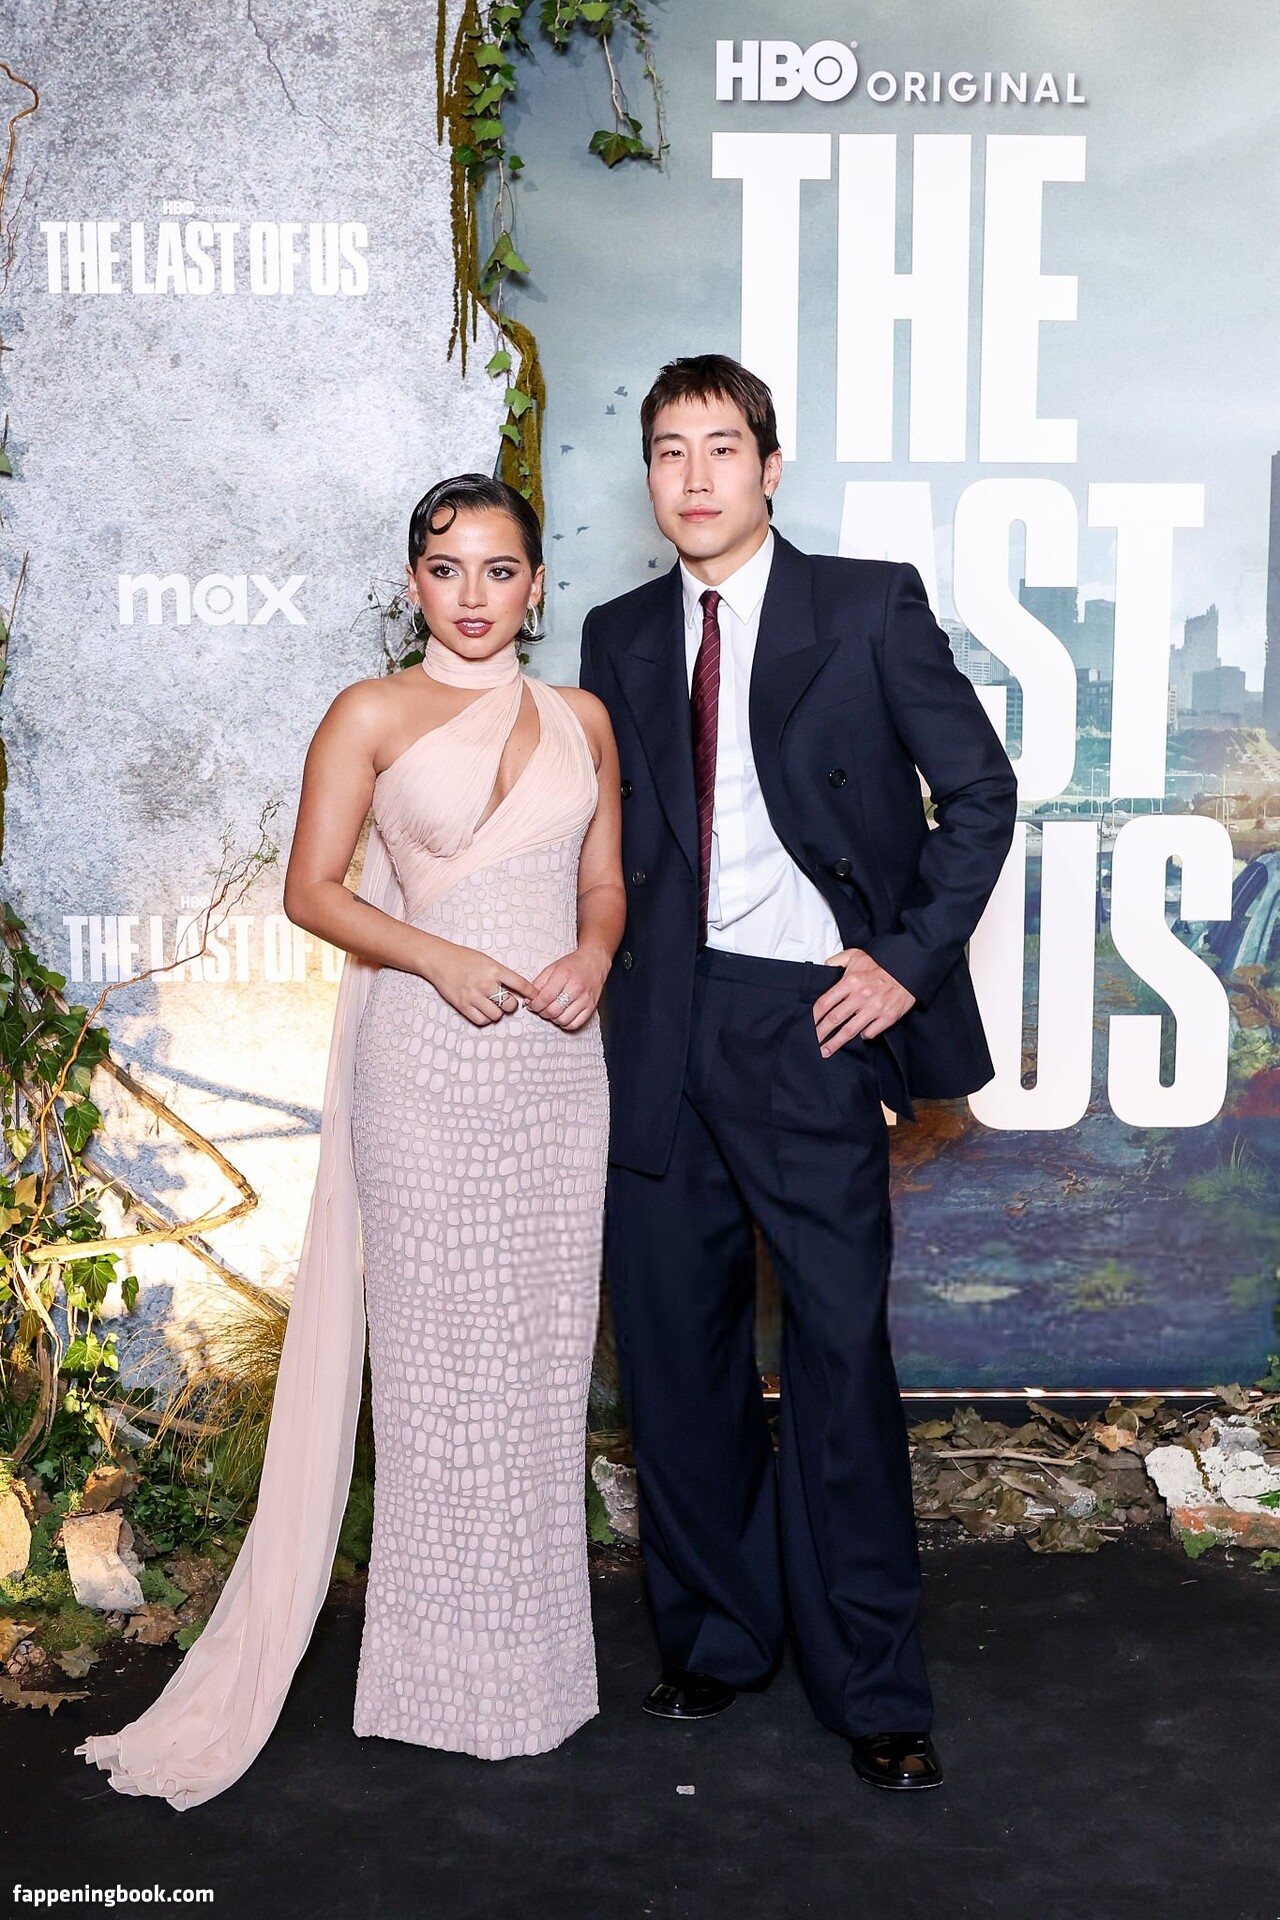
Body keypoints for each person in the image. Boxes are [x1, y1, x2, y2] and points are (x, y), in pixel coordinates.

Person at [77, 474, 624, 1805]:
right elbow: (311, 890)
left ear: (537, 584)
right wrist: (439, 956)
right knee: (438, 1378)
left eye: (501, 569)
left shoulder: (584, 718)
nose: (474, 595)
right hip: (424, 1062)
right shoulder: (370, 712)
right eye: (447, 569)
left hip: (558, 1069)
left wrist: (596, 957)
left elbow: (604, 880)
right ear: (413, 582)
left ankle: (535, 1672)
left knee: (541, 1374)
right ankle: (438, 1682)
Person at [579, 355, 1018, 1791]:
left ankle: (873, 1685)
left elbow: (982, 792)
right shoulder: (618, 633)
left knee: (835, 1353)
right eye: (669, 451)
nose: (694, 475)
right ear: (650, 479)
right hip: (659, 1022)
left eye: (723, 447)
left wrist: (903, 959)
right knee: (675, 1352)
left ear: (771, 469)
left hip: (807, 1019)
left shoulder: (866, 604)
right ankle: (715, 1639)